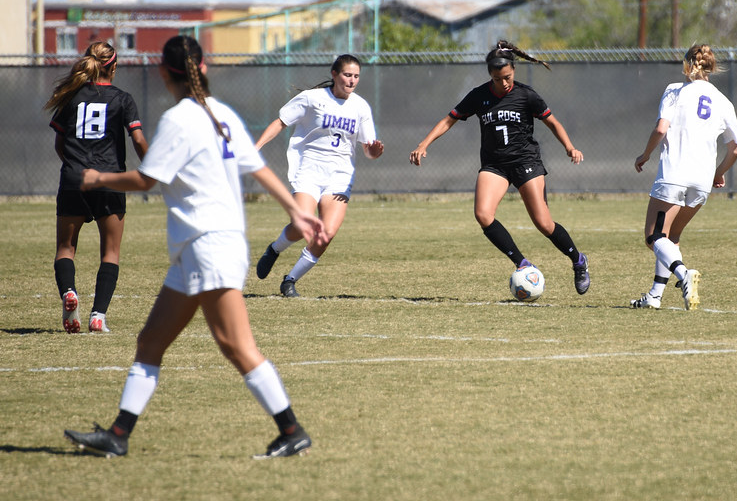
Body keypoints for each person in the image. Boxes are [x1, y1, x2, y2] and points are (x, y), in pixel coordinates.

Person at [64, 35, 325, 459]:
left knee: (237, 347)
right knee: (150, 341)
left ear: (164, 73)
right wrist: (294, 210)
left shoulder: (180, 119)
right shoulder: (221, 113)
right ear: (202, 68)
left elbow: (147, 179)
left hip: (209, 245)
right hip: (198, 248)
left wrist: (98, 179)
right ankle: (118, 434)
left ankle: (292, 430)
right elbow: (259, 168)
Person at [410, 39, 590, 295]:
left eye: (507, 77)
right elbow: (449, 120)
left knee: (544, 224)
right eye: (497, 79)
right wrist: (424, 144)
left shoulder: (526, 95)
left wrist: (570, 147)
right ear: (490, 76)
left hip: (526, 162)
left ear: (513, 70)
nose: (504, 83)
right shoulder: (479, 95)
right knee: (483, 215)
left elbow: (553, 123)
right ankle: (522, 263)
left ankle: (578, 260)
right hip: (495, 165)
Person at [252, 54, 383, 298]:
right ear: (334, 74)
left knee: (326, 234)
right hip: (310, 169)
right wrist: (256, 147)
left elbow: (368, 149)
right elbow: (280, 122)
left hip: (340, 175)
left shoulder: (360, 106)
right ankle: (275, 249)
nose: (352, 80)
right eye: (347, 75)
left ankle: (290, 281)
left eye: (356, 76)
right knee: (303, 223)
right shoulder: (312, 98)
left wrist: (373, 152)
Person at [46, 42, 148, 333]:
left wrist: (75, 169)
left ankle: (69, 292)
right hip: (110, 181)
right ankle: (98, 317)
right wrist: (154, 167)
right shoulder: (122, 99)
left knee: (66, 248)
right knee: (110, 252)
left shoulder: (71, 96)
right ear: (113, 67)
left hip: (74, 180)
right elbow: (138, 140)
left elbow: (59, 144)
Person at [631, 43, 737, 310]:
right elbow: (735, 149)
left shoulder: (675, 90)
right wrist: (719, 173)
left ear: (687, 65)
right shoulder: (724, 102)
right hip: (702, 181)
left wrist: (645, 154)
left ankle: (684, 274)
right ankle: (655, 296)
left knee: (654, 237)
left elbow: (661, 129)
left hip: (674, 175)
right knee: (671, 237)